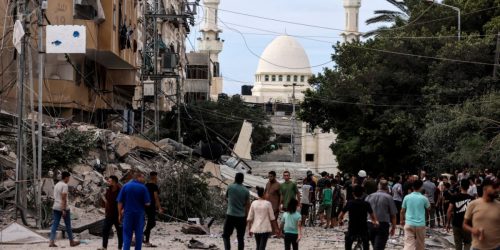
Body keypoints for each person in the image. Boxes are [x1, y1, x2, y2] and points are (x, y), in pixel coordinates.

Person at [117, 171, 151, 250]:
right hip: (139, 214)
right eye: (142, 177)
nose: (144, 179)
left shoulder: (125, 186)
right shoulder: (143, 188)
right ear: (138, 177)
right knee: (138, 235)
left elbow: (119, 202)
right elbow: (148, 203)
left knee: (127, 235)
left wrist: (119, 214)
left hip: (128, 214)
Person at [463, 179, 500, 250]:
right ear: (485, 189)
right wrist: (473, 230)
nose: (497, 190)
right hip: (478, 247)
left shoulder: (499, 206)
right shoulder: (473, 204)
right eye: (493, 188)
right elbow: (464, 225)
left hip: (497, 247)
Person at [339, 185, 378, 250]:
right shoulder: (366, 204)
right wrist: (374, 222)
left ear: (353, 193)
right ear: (362, 194)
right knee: (366, 242)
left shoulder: (350, 203)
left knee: (348, 242)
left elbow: (340, 215)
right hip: (363, 229)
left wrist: (340, 221)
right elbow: (373, 217)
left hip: (352, 228)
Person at [49, 171, 80, 247]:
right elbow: (63, 198)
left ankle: (51, 241)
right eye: (69, 177)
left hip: (55, 206)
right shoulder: (65, 185)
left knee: (55, 224)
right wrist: (63, 209)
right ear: (66, 177)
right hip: (63, 207)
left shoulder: (57, 185)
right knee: (68, 225)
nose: (69, 179)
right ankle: (71, 242)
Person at [365, 180, 397, 250]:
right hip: (382, 225)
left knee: (375, 245)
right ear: (387, 187)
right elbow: (393, 215)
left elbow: (364, 211)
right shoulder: (389, 197)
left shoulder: (369, 196)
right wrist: (393, 227)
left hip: (370, 224)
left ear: (378, 186)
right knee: (379, 246)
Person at [223, 173, 250, 250]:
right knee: (240, 237)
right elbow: (248, 205)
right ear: (243, 180)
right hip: (241, 216)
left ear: (235, 179)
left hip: (230, 215)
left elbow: (226, 197)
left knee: (226, 235)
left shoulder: (230, 187)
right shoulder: (246, 190)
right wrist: (247, 217)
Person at [401, 180, 430, 250]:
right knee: (420, 244)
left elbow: (402, 211)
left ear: (412, 187)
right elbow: (429, 208)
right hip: (420, 224)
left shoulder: (407, 197)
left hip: (409, 224)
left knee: (408, 244)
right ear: (421, 187)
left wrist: (402, 220)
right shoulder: (424, 198)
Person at [446, 179, 473, 250]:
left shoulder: (454, 197)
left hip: (456, 224)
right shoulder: (472, 199)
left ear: (460, 186)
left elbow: (449, 211)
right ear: (468, 187)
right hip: (468, 225)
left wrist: (448, 223)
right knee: (468, 243)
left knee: (458, 244)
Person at [99, 176, 122, 250]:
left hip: (118, 214)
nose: (108, 182)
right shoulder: (108, 190)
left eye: (109, 181)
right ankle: (104, 247)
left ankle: (120, 247)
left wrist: (121, 213)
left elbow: (123, 202)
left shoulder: (120, 190)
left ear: (114, 182)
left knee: (119, 232)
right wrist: (106, 211)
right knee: (105, 229)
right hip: (109, 214)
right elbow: (107, 202)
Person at [143, 171, 163, 247]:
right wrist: (159, 208)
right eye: (156, 177)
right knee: (152, 223)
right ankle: (143, 234)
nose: (157, 178)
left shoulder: (145, 185)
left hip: (145, 206)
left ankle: (147, 241)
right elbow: (156, 197)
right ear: (154, 177)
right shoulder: (154, 186)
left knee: (149, 224)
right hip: (151, 207)